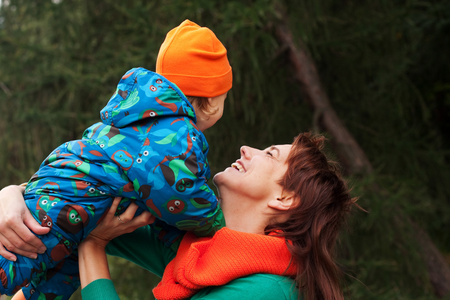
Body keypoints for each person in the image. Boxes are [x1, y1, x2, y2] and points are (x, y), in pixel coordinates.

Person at [0, 19, 232, 300]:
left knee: (54, 277)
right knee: (17, 255)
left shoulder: (139, 114)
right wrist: (217, 223)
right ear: (210, 101)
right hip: (66, 205)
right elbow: (179, 192)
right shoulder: (176, 135)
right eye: (224, 99)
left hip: (81, 210)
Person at [0, 133, 357, 300]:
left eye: (270, 153)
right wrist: (12, 195)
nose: (246, 148)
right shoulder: (204, 253)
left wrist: (94, 245)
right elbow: (86, 203)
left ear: (285, 197)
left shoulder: (266, 291)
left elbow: (91, 228)